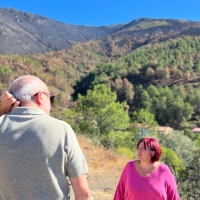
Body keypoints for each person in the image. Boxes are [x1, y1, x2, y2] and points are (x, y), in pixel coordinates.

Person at [0, 75, 91, 200]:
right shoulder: (62, 129)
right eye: (51, 98)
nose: (51, 104)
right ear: (40, 97)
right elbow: (83, 193)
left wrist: (3, 111)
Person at [113, 137, 180, 200]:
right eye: (139, 148)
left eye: (143, 148)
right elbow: (119, 194)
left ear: (153, 153)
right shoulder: (129, 167)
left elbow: (174, 197)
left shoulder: (164, 170)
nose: (139, 151)